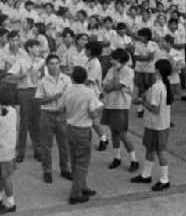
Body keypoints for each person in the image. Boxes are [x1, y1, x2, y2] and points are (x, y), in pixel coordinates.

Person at [61, 66, 103, 205]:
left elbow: (62, 109)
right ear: (85, 78)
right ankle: (76, 193)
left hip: (70, 127)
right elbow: (92, 113)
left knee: (74, 160)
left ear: (72, 78)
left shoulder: (67, 90)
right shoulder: (89, 93)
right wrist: (100, 108)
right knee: (82, 163)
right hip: (83, 129)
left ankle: (82, 186)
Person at [131, 59, 173, 190]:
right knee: (150, 149)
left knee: (160, 152)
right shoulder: (164, 84)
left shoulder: (157, 87)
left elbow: (155, 109)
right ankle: (146, 175)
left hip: (156, 125)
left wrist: (143, 103)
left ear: (158, 71)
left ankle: (165, 179)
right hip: (159, 124)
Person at [35, 54, 73, 183]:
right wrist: (54, 97)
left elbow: (70, 96)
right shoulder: (43, 81)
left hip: (62, 114)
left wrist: (65, 107)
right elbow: (39, 100)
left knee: (64, 144)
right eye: (51, 63)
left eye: (57, 63)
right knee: (46, 145)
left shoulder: (66, 79)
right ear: (47, 66)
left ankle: (65, 169)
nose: (55, 66)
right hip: (47, 115)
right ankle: (47, 171)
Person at [101, 48, 139, 172]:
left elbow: (118, 86)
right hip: (109, 104)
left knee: (122, 133)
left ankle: (134, 159)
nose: (110, 60)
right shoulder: (110, 70)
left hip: (121, 105)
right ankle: (117, 157)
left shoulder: (128, 71)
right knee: (113, 132)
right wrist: (111, 84)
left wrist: (115, 76)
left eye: (113, 58)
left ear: (118, 59)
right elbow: (105, 86)